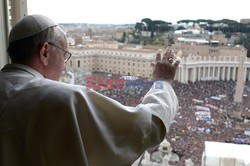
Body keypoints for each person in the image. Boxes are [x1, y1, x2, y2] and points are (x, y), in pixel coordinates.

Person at [0, 15, 180, 166]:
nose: (65, 65)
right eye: (64, 55)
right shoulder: (65, 99)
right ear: (45, 52)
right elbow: (148, 126)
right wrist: (162, 81)